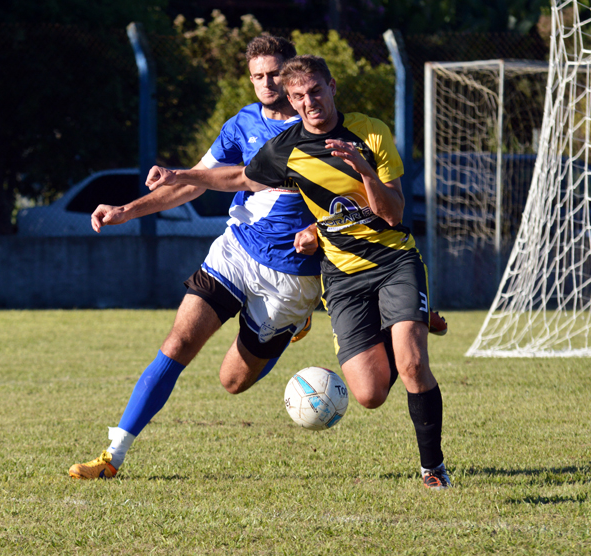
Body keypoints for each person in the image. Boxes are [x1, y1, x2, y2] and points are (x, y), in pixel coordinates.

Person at [145, 55, 452, 489]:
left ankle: (433, 469)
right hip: (343, 278)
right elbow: (237, 179)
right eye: (299, 96)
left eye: (316, 91)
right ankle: (400, 322)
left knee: (412, 365)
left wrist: (362, 169)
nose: (310, 102)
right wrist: (179, 173)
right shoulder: (286, 148)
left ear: (332, 86)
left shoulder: (370, 131)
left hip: (392, 262)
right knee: (369, 394)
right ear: (290, 100)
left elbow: (393, 214)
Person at [68, 35, 324, 480]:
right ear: (249, 79)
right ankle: (113, 455)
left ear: (293, 73)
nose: (268, 84)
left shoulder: (321, 129)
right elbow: (196, 182)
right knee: (178, 342)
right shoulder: (241, 124)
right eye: (258, 76)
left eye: (275, 75)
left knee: (232, 382)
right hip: (236, 252)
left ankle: (291, 326)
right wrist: (125, 210)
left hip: (291, 275)